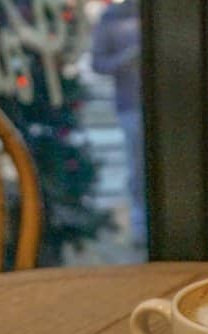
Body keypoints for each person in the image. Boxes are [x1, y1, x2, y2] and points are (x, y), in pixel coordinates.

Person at [91, 0, 145, 248]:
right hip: (130, 104)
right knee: (137, 166)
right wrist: (126, 59)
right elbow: (97, 63)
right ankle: (140, 226)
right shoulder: (111, 17)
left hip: (173, 103)